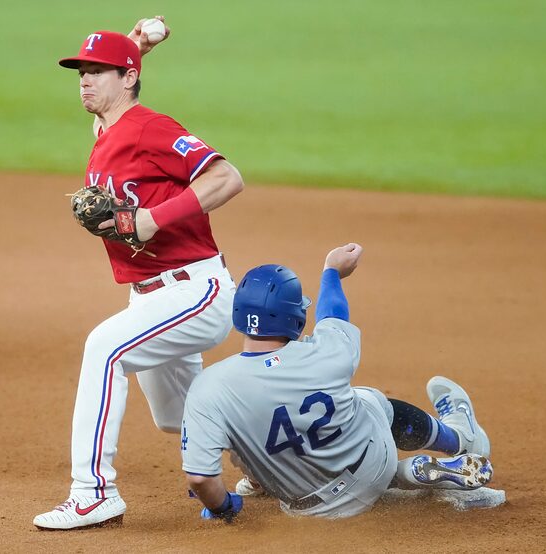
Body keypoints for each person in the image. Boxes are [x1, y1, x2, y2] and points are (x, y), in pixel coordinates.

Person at [33, 18, 244, 530]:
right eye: (81, 71)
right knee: (180, 416)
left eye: (98, 71)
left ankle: (93, 493)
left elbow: (227, 177)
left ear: (126, 79)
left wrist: (152, 218)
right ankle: (279, 459)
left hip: (197, 288)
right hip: (150, 296)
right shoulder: (105, 130)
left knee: (104, 349)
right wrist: (137, 48)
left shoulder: (151, 127)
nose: (84, 79)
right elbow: (116, 104)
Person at [180, 244, 493, 520]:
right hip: (372, 466)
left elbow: (200, 479)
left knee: (242, 434)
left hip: (309, 508)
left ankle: (265, 479)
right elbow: (334, 313)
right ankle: (461, 440)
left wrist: (224, 508)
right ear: (296, 317)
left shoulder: (209, 388)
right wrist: (331, 271)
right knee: (370, 400)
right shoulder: (326, 353)